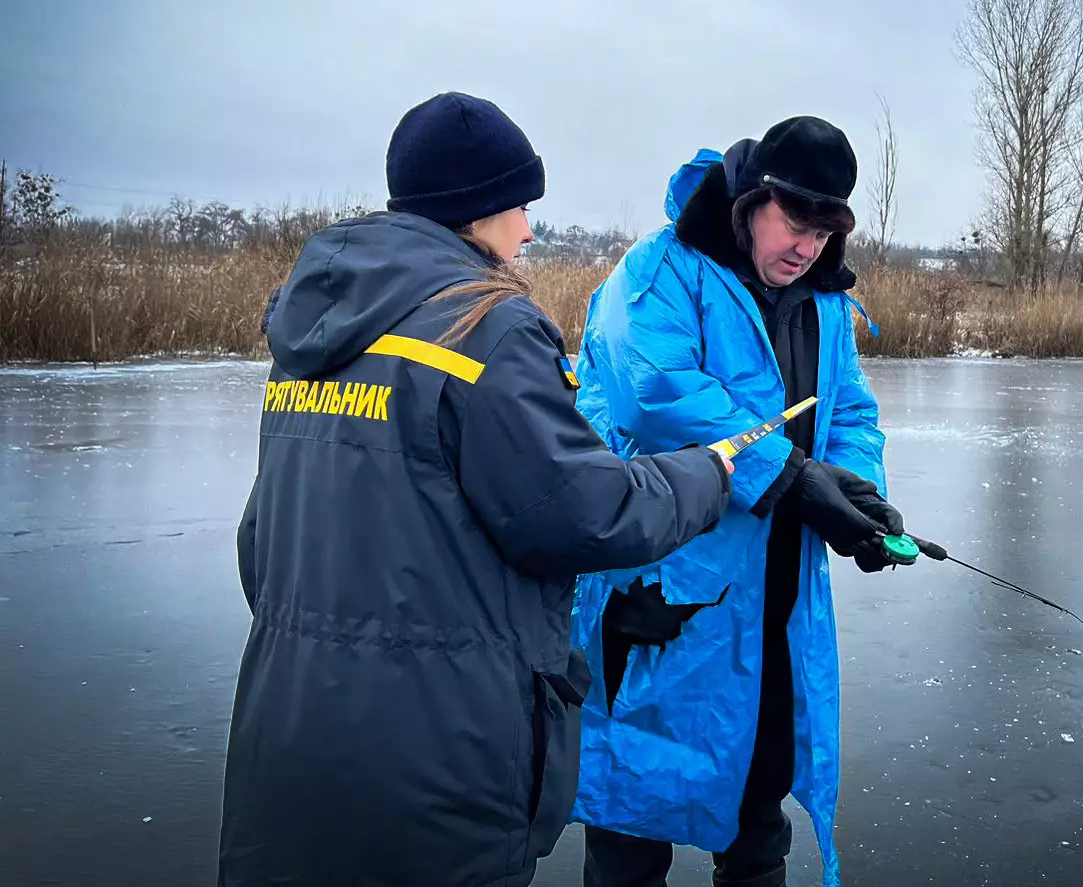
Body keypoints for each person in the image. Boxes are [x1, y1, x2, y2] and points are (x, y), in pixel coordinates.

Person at [218, 92, 733, 887]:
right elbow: (585, 516)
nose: (528, 229)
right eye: (520, 205)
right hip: (436, 759)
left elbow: (261, 545)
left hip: (287, 737)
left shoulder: (309, 329)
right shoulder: (481, 327)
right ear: (476, 209)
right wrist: (708, 472)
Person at [570, 117, 902, 887]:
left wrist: (855, 492)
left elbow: (848, 408)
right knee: (631, 820)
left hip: (776, 601)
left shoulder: (824, 303)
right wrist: (793, 477)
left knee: (760, 827)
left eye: (825, 233)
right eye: (795, 224)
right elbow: (655, 395)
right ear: (754, 200)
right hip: (657, 592)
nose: (807, 248)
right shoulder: (659, 271)